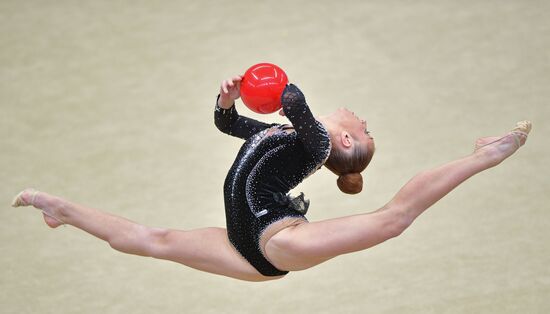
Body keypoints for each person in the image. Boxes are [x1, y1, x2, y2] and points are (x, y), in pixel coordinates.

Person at [12, 75, 531, 282]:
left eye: (364, 127)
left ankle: (484, 156)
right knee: (154, 240)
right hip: (243, 245)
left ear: (346, 142)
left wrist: (275, 80)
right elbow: (231, 125)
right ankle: (58, 207)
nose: (360, 115)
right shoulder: (289, 137)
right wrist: (227, 99)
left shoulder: (318, 143)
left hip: (277, 237)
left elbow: (295, 102)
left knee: (392, 219)